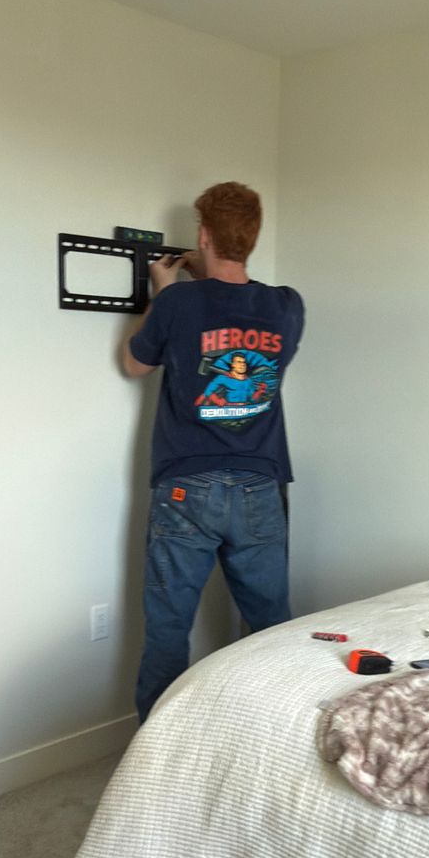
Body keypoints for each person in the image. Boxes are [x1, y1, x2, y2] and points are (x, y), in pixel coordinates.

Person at [123, 180, 305, 720]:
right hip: (259, 485)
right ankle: (272, 736)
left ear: (202, 235)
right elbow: (236, 320)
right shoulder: (286, 306)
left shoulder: (177, 302)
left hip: (187, 486)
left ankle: (156, 758)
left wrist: (163, 287)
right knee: (273, 625)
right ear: (250, 239)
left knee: (168, 628)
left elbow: (134, 364)